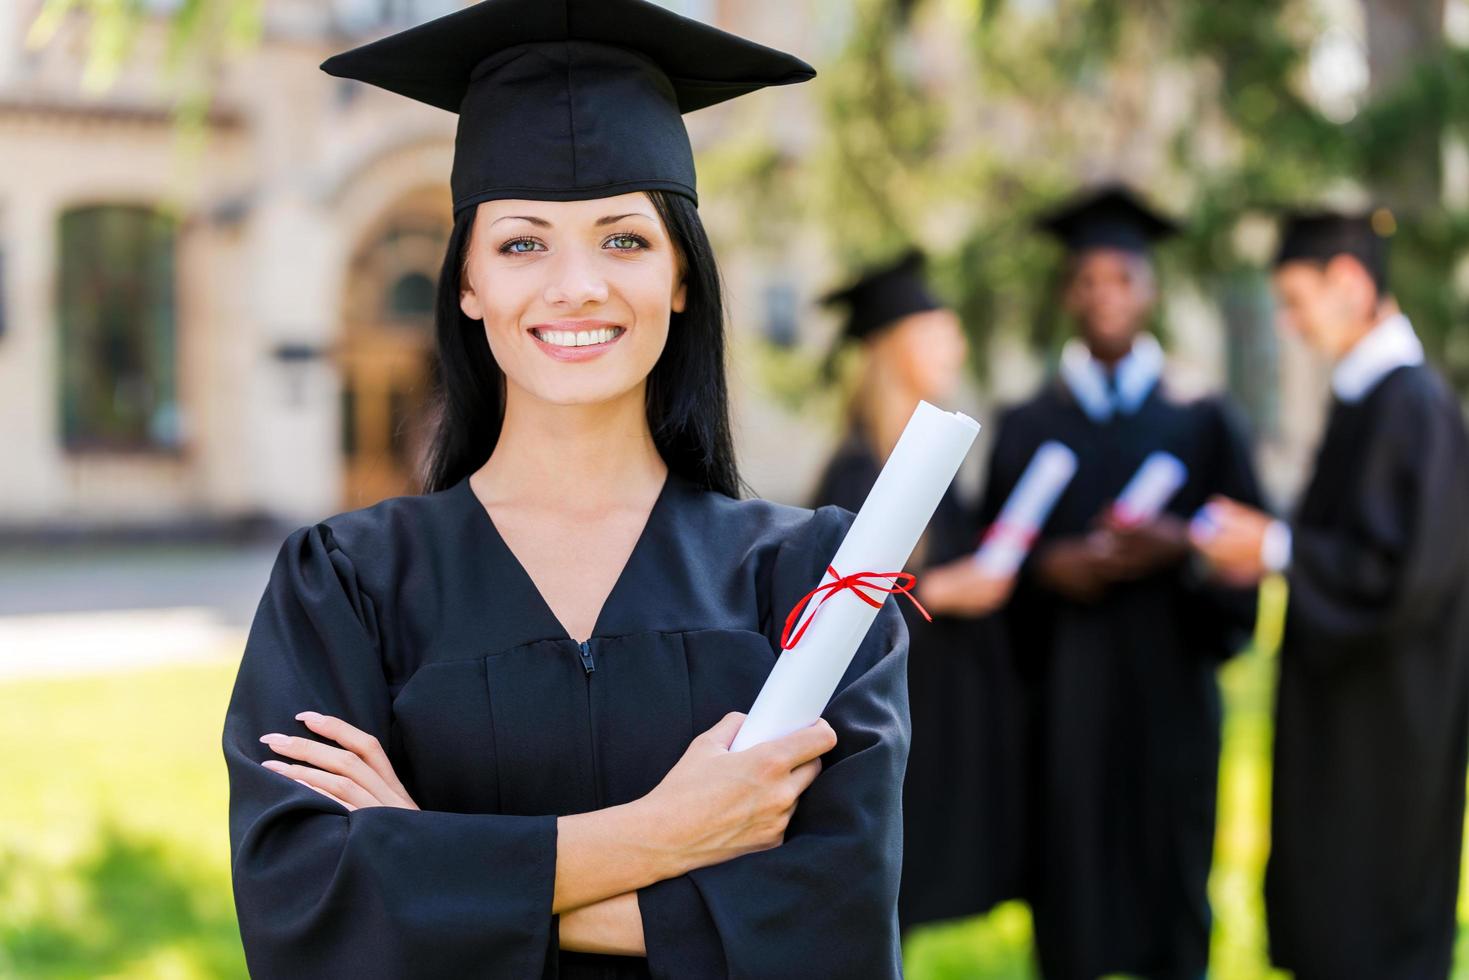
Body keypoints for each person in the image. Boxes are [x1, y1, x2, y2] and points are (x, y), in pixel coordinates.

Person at [221, 2, 911, 977]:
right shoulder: (345, 588)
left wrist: (428, 866)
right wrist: (665, 833)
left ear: (681, 275)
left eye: (624, 239)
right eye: (521, 242)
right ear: (465, 280)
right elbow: (306, 906)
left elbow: (832, 922)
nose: (577, 283)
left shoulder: (809, 583)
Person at [982, 185, 1264, 979]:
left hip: (1171, 698)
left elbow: (1246, 553)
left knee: (1173, 888)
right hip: (1065, 711)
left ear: (1151, 289)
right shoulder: (1027, 423)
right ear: (1067, 291)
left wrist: (1183, 545)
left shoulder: (1202, 416)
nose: (1103, 295)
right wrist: (1047, 570)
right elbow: (991, 571)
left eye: (1122, 278)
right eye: (1086, 279)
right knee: (1069, 898)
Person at [1192, 210, 1469, 980]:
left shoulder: (1411, 406)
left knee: (1370, 930)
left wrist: (1277, 548)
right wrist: (1269, 547)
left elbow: (1398, 575)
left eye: (1294, 299)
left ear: (1348, 283)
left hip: (1388, 735)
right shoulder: (1370, 399)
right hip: (1348, 725)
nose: (1288, 323)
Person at [810, 250, 1026, 932]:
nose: (955, 345)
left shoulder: (928, 457)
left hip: (941, 708)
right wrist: (938, 589)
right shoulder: (857, 470)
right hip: (890, 726)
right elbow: (830, 609)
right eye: (937, 329)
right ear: (893, 344)